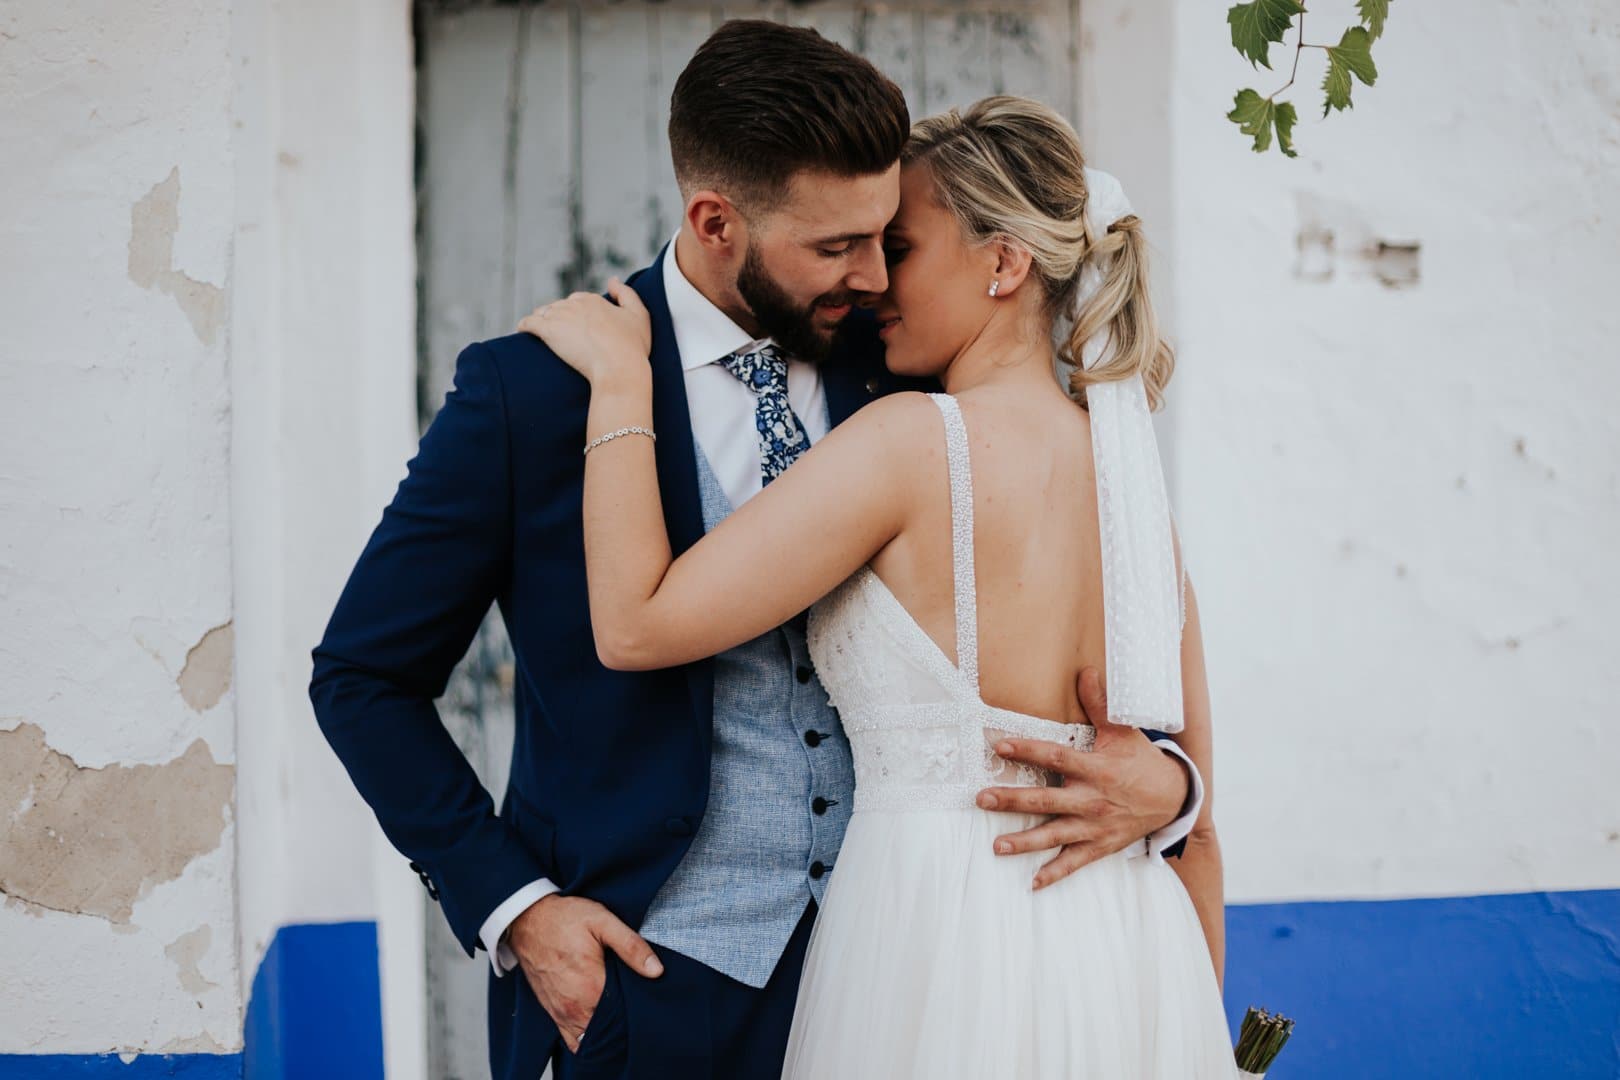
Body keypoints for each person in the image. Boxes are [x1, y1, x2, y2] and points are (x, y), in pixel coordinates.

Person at [311, 22, 1203, 1080]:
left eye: (885, 237)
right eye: (836, 247)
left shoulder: (912, 367)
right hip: (646, 981)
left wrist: (1171, 786)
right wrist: (518, 910)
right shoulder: (535, 389)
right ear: (716, 220)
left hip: (903, 980)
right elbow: (362, 677)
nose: (872, 276)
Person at [521, 93, 1234, 1077]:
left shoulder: (910, 445)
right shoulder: (1135, 495)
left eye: (903, 246)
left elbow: (638, 624)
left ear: (1003, 262)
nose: (873, 280)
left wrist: (618, 379)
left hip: (941, 942)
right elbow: (1195, 828)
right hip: (1129, 958)